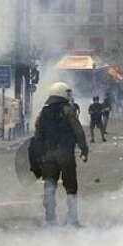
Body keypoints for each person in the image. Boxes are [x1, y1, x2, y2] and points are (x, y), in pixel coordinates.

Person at [30, 83, 89, 226]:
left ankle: (50, 219)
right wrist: (84, 149)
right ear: (62, 93)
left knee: (49, 186)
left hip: (47, 155)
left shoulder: (43, 112)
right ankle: (72, 219)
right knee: (71, 187)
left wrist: (38, 157)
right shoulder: (67, 110)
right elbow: (78, 131)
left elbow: (37, 135)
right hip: (65, 153)